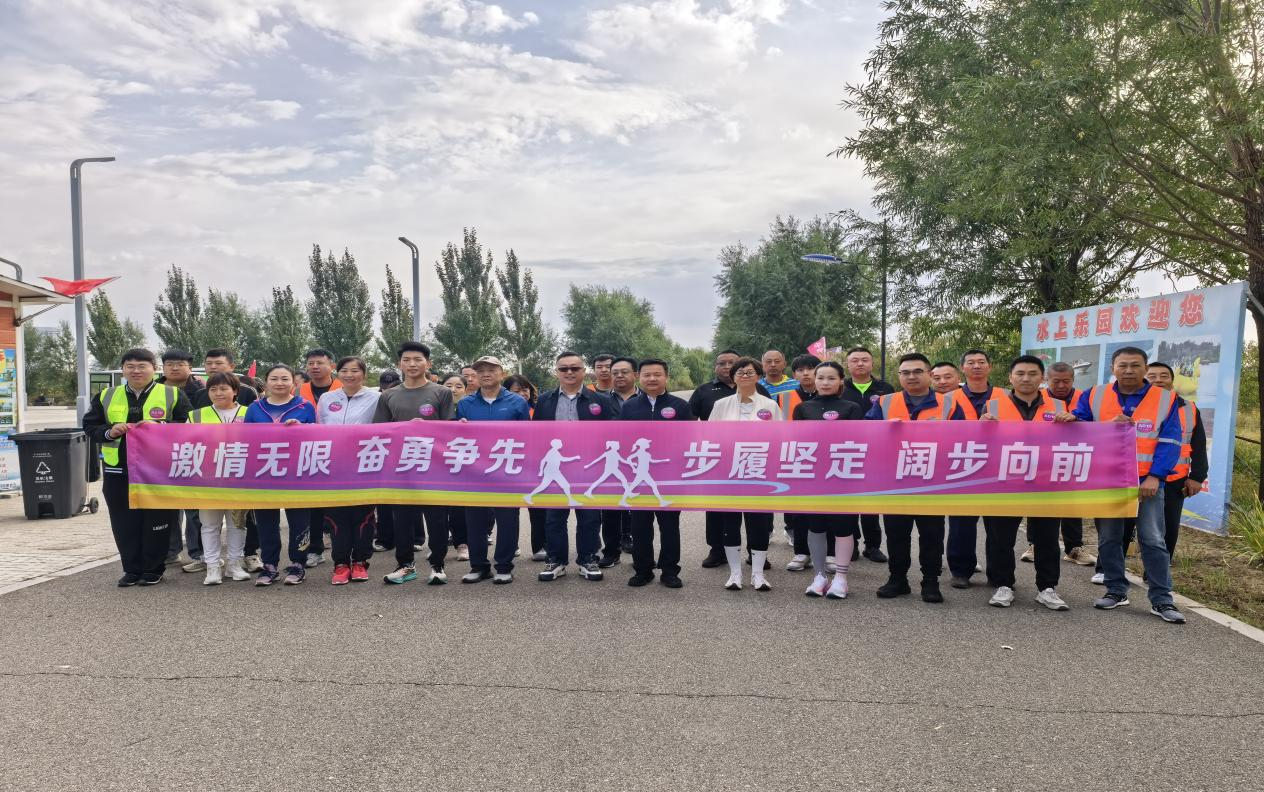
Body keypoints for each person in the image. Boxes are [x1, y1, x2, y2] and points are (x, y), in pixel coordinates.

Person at [1058, 346, 1186, 623]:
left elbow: (1171, 440)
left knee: (1152, 539)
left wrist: (1156, 476)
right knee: (1109, 538)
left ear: (1145, 368)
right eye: (1123, 365)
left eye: (1135, 365)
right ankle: (1116, 590)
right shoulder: (1094, 395)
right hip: (1107, 480)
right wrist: (1081, 421)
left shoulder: (1165, 399)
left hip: (1146, 482)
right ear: (1113, 368)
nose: (1128, 370)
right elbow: (1080, 430)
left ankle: (1162, 599)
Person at [83, 348, 190, 587]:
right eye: (130, 366)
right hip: (118, 469)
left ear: (154, 369)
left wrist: (160, 426)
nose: (136, 371)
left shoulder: (172, 394)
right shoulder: (106, 395)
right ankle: (131, 569)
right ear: (123, 370)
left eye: (142, 366)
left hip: (159, 470)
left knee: (157, 519)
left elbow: (188, 425)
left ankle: (153, 569)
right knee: (123, 521)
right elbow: (90, 426)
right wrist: (110, 431)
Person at [865, 353, 963, 603]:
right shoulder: (885, 402)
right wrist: (884, 429)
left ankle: (930, 582)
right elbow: (866, 434)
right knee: (897, 533)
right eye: (905, 372)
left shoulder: (948, 404)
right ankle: (897, 579)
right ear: (899, 376)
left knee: (932, 535)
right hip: (894, 480)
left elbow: (963, 440)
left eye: (917, 371)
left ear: (929, 375)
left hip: (932, 481)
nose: (911, 376)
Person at [978, 356, 1071, 611]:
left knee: (1047, 538)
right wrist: (981, 426)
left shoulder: (1059, 405)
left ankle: (1047, 588)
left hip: (1046, 482)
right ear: (1010, 378)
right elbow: (979, 443)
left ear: (1042, 378)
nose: (1026, 378)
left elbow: (1077, 438)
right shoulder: (992, 406)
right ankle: (1003, 585)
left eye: (1032, 374)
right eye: (1020, 373)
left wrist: (1072, 423)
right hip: (1004, 482)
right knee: (1001, 538)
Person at [374, 342, 456, 586]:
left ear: (428, 363)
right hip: (401, 467)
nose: (412, 364)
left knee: (437, 519)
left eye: (418, 359)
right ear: (399, 364)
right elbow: (380, 432)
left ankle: (438, 565)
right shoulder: (388, 395)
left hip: (434, 467)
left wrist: (428, 428)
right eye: (406, 360)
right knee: (402, 520)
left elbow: (450, 430)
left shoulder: (442, 392)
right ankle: (405, 565)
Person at [533, 351, 619, 582]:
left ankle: (588, 559)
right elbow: (536, 435)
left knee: (589, 517)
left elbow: (612, 434)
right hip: (558, 468)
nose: (569, 372)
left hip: (588, 469)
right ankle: (556, 560)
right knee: (554, 518)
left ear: (584, 371)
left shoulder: (601, 401)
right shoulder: (545, 401)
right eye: (564, 369)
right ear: (557, 372)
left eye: (575, 368)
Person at [688, 349, 771, 568]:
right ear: (715, 367)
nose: (726, 366)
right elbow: (690, 424)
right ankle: (717, 550)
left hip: (755, 458)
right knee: (718, 508)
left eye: (731, 363)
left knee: (757, 510)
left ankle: (757, 553)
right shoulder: (704, 391)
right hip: (720, 459)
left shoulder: (760, 390)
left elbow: (773, 427)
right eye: (722, 363)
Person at [456, 356, 532, 584]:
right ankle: (479, 566)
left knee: (508, 520)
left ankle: (504, 566)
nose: (486, 374)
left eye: (491, 370)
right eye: (481, 371)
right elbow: (457, 437)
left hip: (506, 470)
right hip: (475, 471)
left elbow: (528, 437)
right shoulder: (466, 403)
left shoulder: (517, 402)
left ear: (502, 373)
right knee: (475, 521)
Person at [709, 356, 783, 591]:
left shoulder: (770, 405)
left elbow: (780, 437)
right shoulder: (721, 405)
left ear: (758, 376)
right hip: (729, 472)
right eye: (740, 372)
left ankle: (758, 574)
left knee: (758, 523)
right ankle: (735, 574)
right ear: (733, 377)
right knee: (730, 523)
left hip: (759, 472)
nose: (745, 376)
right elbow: (710, 437)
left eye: (750, 372)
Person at [793, 361, 865, 599]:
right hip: (813, 475)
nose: (825, 382)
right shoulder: (803, 408)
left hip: (843, 476)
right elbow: (795, 441)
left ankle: (841, 578)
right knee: (816, 527)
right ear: (814, 380)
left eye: (831, 378)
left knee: (843, 527)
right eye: (821, 378)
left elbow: (860, 440)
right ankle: (820, 576)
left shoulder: (852, 407)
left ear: (841, 380)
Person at [619, 358, 692, 588]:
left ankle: (670, 570)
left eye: (657, 374)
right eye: (647, 374)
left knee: (669, 526)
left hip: (670, 476)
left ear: (666, 377)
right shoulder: (629, 407)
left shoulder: (680, 406)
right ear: (638, 377)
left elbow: (690, 440)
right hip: (638, 476)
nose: (652, 379)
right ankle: (643, 569)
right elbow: (622, 440)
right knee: (640, 526)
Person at [244, 364, 316, 586]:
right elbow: (246, 439)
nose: (279, 383)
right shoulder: (255, 408)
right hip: (264, 471)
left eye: (285, 379)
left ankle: (298, 564)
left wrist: (301, 428)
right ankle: (269, 565)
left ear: (294, 382)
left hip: (297, 472)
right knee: (266, 522)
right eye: (274, 379)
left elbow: (318, 437)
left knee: (299, 520)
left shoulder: (305, 406)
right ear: (266, 382)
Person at [944, 349, 1007, 589]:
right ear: (963, 368)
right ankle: (961, 571)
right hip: (962, 466)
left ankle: (998, 574)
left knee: (999, 526)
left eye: (981, 362)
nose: (977, 366)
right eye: (971, 362)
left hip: (998, 468)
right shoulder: (947, 398)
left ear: (990, 367)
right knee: (961, 524)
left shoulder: (1006, 396)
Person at [1022, 361, 1095, 566]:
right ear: (1047, 380)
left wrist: (1077, 421)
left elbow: (1095, 424)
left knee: (1071, 503)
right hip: (1043, 459)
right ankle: (1034, 544)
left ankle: (1074, 548)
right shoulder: (1038, 398)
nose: (1061, 386)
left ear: (1073, 379)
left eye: (1066, 381)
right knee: (1038, 503)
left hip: (1075, 456)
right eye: (1056, 381)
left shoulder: (1084, 398)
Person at [317, 356, 381, 585]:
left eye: (355, 370)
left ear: (364, 374)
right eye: (344, 370)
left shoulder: (377, 398)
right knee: (336, 516)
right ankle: (341, 563)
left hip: (365, 464)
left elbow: (387, 428)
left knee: (363, 515)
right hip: (333, 466)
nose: (349, 375)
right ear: (338, 372)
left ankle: (361, 561)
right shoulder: (327, 398)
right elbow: (317, 429)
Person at [188, 372, 251, 585]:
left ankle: (234, 565)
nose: (218, 393)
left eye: (224, 388)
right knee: (209, 525)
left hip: (240, 478)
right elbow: (184, 443)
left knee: (237, 524)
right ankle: (212, 567)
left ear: (235, 391)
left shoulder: (249, 413)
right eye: (213, 389)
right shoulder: (195, 415)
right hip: (208, 479)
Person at [1146, 362, 1208, 558]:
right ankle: (1108, 569)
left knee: (1167, 528)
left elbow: (1199, 445)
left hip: (1173, 480)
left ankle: (1160, 569)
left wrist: (1197, 477)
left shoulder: (1189, 408)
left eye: (1164, 376)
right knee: (1121, 527)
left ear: (1172, 381)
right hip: (1135, 477)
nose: (1158, 380)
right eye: (1152, 376)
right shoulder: (1134, 405)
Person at [840, 346, 894, 563]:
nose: (860, 363)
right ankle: (850, 544)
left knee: (871, 501)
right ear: (847, 364)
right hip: (845, 450)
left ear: (872, 363)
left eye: (864, 360)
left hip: (876, 451)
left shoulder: (885, 388)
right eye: (855, 360)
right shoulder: (840, 387)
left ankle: (872, 546)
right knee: (848, 501)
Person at [158, 348, 207, 569]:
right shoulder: (154, 390)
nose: (174, 368)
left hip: (194, 454)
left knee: (195, 508)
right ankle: (170, 551)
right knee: (168, 507)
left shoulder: (202, 390)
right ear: (162, 367)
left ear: (190, 367)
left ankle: (198, 553)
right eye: (169, 364)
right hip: (161, 455)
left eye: (180, 364)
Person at [781, 353, 820, 570]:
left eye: (810, 368)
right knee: (798, 509)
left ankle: (826, 553)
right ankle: (801, 552)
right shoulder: (784, 398)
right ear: (794, 374)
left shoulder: (832, 395)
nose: (806, 373)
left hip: (826, 460)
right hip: (794, 457)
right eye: (800, 370)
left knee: (823, 509)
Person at [600, 356, 640, 567]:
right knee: (610, 508)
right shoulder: (601, 401)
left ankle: (642, 554)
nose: (619, 376)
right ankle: (611, 552)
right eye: (615, 372)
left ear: (635, 375)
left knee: (640, 509)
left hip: (638, 461)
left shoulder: (647, 400)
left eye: (624, 372)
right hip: (612, 460)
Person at [504, 374, 546, 560]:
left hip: (535, 463)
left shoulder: (539, 409)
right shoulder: (504, 409)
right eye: (516, 391)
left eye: (525, 389)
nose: (522, 394)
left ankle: (540, 547)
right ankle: (510, 546)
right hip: (511, 461)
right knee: (509, 509)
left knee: (537, 506)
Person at [193, 349, 257, 408]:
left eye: (218, 363)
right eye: (208, 363)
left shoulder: (247, 392)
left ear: (232, 367)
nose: (213, 367)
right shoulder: (199, 394)